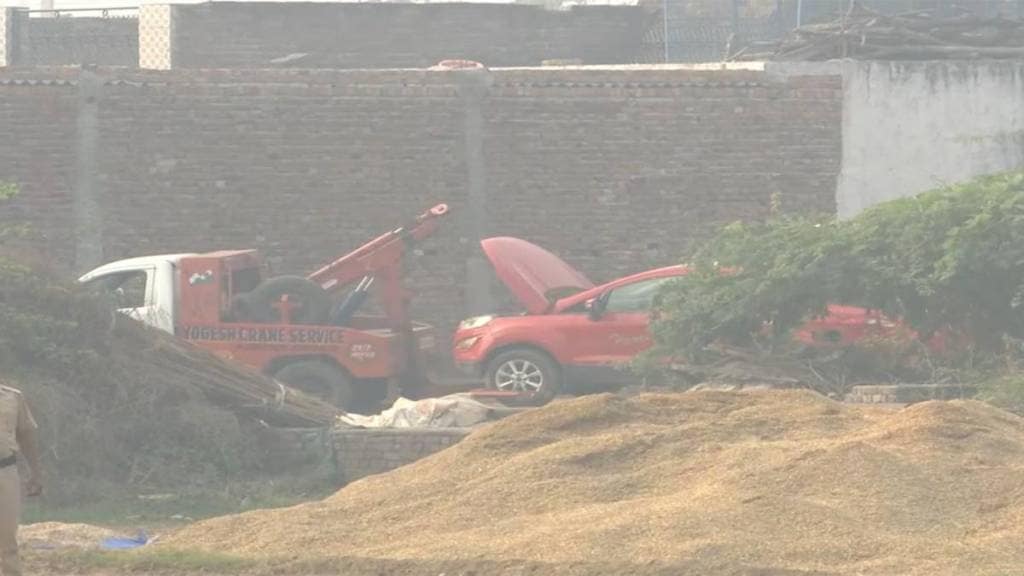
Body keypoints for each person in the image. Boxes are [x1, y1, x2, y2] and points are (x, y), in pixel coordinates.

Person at [0, 383, 41, 576]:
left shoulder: (12, 397)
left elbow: (26, 434)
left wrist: (36, 472)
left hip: (5, 471)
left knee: (7, 539)